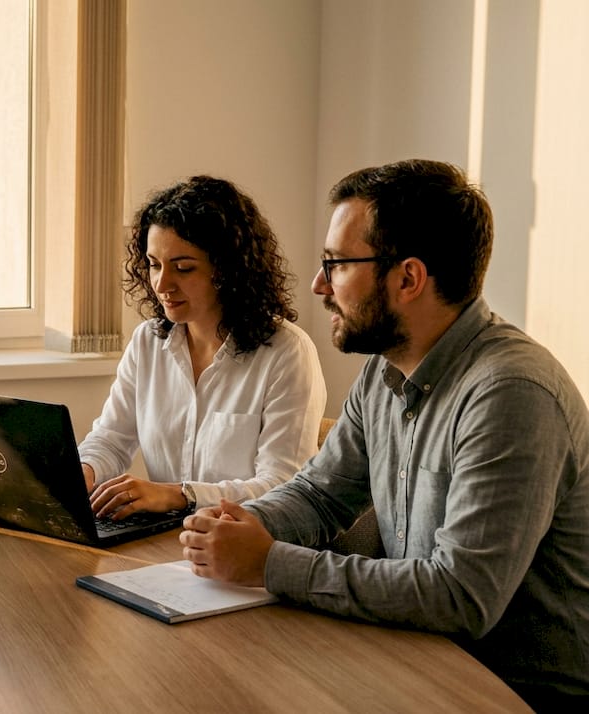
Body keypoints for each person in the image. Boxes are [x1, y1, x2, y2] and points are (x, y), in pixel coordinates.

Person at [179, 159, 589, 711]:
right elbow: (321, 494)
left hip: (510, 692)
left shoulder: (510, 394)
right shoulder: (384, 369)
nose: (319, 285)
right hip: (415, 657)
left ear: (408, 278)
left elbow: (460, 596)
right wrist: (241, 523)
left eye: (336, 265)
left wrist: (269, 562)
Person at [79, 176, 326, 519]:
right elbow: (110, 438)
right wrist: (85, 472)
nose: (162, 284)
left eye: (183, 268)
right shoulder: (148, 341)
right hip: (165, 542)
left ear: (227, 269)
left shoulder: (287, 352)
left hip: (246, 548)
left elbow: (282, 485)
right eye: (154, 265)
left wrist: (180, 496)